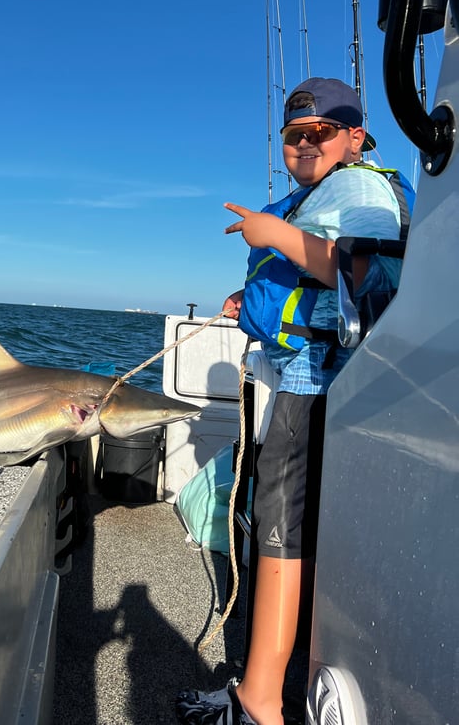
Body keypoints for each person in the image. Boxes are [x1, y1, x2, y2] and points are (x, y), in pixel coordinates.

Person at [176, 78, 411, 725]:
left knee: (278, 541)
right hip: (302, 381)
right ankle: (264, 687)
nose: (305, 143)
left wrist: (274, 233)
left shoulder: (358, 189)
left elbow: (369, 274)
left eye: (321, 132)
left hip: (315, 386)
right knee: (282, 534)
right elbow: (311, 280)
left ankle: (258, 706)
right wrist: (243, 298)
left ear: (354, 137)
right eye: (293, 134)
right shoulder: (325, 193)